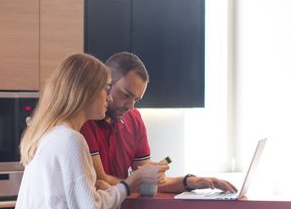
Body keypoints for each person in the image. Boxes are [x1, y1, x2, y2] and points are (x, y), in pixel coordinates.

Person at [10, 53, 175, 209]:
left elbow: (85, 196)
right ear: (85, 93)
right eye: (104, 89)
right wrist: (130, 183)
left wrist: (112, 185)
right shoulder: (70, 139)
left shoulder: (58, 135)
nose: (108, 98)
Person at [80, 52, 236, 193]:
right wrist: (141, 179)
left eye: (136, 100)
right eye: (126, 94)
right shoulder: (86, 121)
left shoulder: (134, 118)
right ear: (106, 84)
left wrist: (190, 181)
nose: (131, 106)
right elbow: (99, 181)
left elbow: (150, 182)